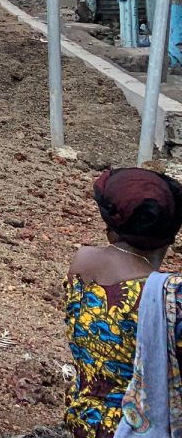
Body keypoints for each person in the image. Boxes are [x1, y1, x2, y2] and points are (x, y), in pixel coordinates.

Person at [65, 167, 182, 438]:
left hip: (83, 419)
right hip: (136, 428)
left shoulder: (82, 264)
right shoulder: (168, 296)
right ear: (171, 236)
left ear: (110, 230)